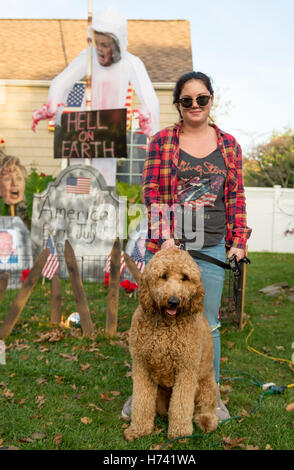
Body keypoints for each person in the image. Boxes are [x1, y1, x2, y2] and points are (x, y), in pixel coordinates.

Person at [122, 71, 252, 422]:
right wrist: (165, 238)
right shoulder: (162, 141)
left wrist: (238, 240)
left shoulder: (229, 145)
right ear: (178, 104)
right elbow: (151, 192)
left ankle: (210, 396)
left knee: (206, 323)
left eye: (202, 99)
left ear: (211, 100)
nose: (195, 105)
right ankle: (143, 397)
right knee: (152, 318)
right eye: (187, 100)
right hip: (166, 245)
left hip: (208, 246)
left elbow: (235, 197)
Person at [32, 5, 159, 138]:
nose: (99, 49)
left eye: (105, 45)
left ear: (117, 45)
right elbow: (60, 82)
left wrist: (150, 124)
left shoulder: (131, 63)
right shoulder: (88, 57)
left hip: (109, 135)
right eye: (97, 43)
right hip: (85, 131)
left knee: (104, 159)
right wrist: (51, 107)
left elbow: (150, 100)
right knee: (80, 158)